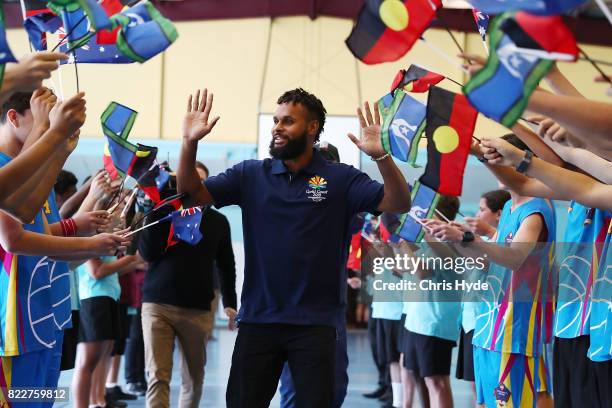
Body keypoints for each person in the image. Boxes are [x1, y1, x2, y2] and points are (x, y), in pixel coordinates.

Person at [176, 87, 411, 407]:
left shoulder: (341, 179)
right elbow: (190, 196)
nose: (277, 127)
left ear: (312, 127)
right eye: (275, 121)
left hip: (315, 326)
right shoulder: (250, 174)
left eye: (288, 121)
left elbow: (398, 202)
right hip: (258, 321)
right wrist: (189, 143)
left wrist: (380, 156)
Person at [426, 134, 556, 408]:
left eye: (501, 158)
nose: (495, 165)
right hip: (488, 326)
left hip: (514, 330)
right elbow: (490, 262)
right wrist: (454, 238)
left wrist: (469, 240)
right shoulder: (509, 206)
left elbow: (515, 258)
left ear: (523, 163)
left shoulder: (536, 210)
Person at [139, 169, 238, 408]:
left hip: (197, 309)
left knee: (194, 379)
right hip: (157, 305)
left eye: (200, 181)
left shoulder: (218, 222)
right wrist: (151, 214)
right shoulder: (163, 213)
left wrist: (230, 304)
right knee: (157, 376)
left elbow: (226, 264)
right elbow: (147, 253)